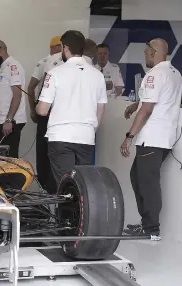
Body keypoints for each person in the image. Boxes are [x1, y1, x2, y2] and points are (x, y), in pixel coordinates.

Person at [120, 38, 182, 240]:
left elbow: (147, 110)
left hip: (152, 137)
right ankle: (148, 223)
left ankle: (151, 228)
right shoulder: (174, 73)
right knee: (138, 176)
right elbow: (155, 99)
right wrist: (135, 104)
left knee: (148, 182)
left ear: (154, 52)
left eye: (146, 52)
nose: (145, 55)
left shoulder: (154, 74)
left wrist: (129, 137)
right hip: (166, 137)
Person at [36, 30, 107, 187]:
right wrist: (92, 128)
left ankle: (64, 212)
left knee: (65, 187)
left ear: (65, 47)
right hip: (86, 137)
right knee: (83, 186)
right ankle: (83, 212)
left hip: (60, 137)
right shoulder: (97, 75)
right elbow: (101, 106)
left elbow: (42, 110)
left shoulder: (55, 73)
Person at [27, 36, 62, 192]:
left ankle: (53, 184)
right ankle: (44, 183)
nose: (60, 50)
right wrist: (33, 109)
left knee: (53, 148)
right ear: (52, 47)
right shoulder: (44, 62)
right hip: (46, 111)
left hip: (57, 112)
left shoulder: (67, 62)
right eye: (58, 46)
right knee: (43, 148)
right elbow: (31, 87)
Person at [0, 40, 27, 158]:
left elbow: (17, 95)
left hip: (12, 121)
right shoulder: (0, 68)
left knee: (9, 158)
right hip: (2, 120)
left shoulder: (13, 67)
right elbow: (2, 94)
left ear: (0, 49)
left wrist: (9, 120)